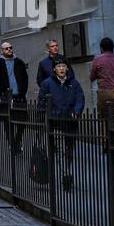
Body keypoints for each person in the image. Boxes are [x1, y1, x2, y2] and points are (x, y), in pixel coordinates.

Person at [38, 60, 84, 190]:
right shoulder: (47, 83)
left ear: (67, 69)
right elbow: (42, 103)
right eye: (59, 66)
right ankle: (66, 175)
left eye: (64, 66)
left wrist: (77, 111)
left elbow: (80, 98)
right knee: (60, 150)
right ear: (54, 69)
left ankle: (66, 170)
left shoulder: (74, 83)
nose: (62, 68)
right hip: (56, 123)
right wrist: (51, 114)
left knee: (69, 150)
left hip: (70, 123)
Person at [0, 40, 29, 154]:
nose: (9, 50)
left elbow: (25, 79)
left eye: (10, 48)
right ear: (2, 51)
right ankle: (12, 145)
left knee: (22, 121)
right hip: (5, 97)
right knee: (8, 123)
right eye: (6, 49)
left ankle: (17, 140)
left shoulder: (19, 62)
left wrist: (23, 91)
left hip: (19, 97)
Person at [89, 36, 114, 117]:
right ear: (112, 48)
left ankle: (104, 129)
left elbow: (91, 77)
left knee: (104, 118)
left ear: (101, 48)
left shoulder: (97, 60)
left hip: (104, 93)